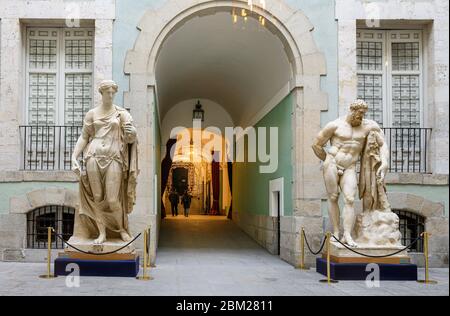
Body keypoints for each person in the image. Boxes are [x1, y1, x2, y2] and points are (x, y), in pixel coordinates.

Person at [312, 100, 389, 247]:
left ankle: (347, 234)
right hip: (333, 163)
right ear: (352, 111)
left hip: (350, 167)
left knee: (349, 199)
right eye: (359, 114)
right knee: (333, 197)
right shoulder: (334, 125)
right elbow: (316, 145)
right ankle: (335, 232)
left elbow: (382, 143)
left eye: (363, 115)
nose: (361, 117)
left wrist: (384, 161)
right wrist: (328, 159)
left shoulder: (369, 126)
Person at [71, 80, 138, 245]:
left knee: (113, 199)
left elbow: (129, 138)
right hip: (93, 156)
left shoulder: (121, 114)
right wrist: (73, 157)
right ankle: (102, 233)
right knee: (98, 197)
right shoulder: (92, 114)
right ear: (101, 93)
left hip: (114, 157)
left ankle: (121, 229)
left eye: (113, 92)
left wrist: (133, 134)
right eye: (107, 92)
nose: (111, 94)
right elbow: (84, 137)